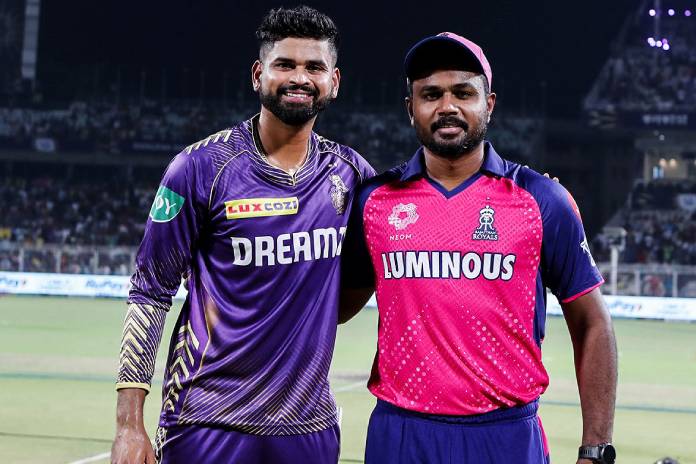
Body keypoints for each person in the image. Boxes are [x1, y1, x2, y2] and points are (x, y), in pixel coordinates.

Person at [111, 6, 374, 464]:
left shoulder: (351, 175)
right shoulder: (197, 168)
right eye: (284, 64)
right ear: (258, 75)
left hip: (307, 426)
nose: (299, 78)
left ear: (334, 81)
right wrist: (129, 425)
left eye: (314, 67)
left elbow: (364, 276)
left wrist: (304, 317)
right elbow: (149, 293)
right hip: (206, 421)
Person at [340, 32, 618, 464]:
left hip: (505, 435)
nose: (447, 106)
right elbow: (336, 308)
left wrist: (596, 449)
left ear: (488, 104)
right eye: (430, 94)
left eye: (463, 93)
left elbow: (593, 324)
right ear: (410, 108)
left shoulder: (541, 199)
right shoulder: (374, 201)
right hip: (402, 432)